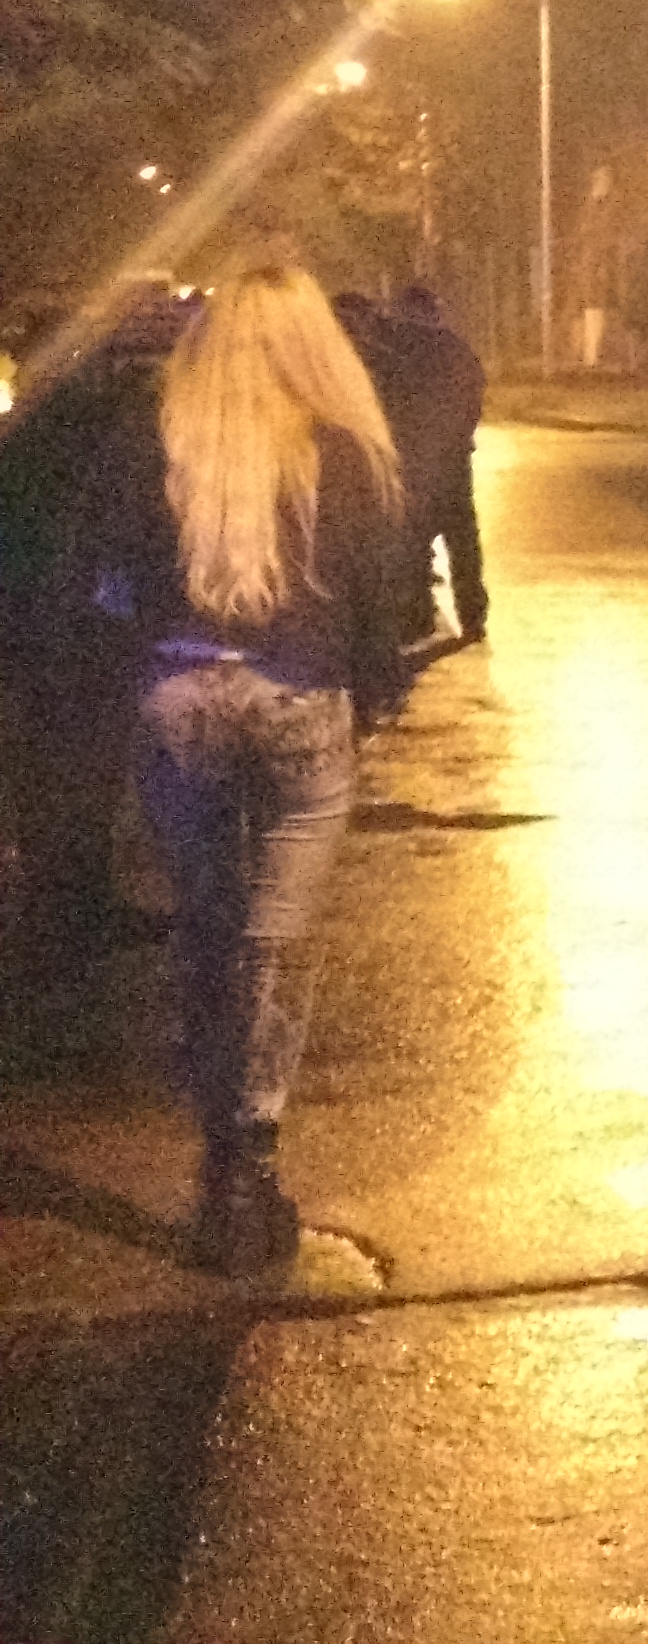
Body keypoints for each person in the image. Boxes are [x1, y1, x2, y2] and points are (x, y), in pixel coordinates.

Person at [100, 265, 421, 1274]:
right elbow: (380, 599)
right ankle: (250, 1167)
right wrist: (373, 693)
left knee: (205, 926)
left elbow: (111, 584)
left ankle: (215, 1160)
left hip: (180, 696)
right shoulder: (343, 450)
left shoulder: (155, 441)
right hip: (298, 696)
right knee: (275, 942)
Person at [0, 281, 190, 1075]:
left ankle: (71, 900)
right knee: (77, 771)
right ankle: (68, 909)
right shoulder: (80, 426)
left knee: (60, 772)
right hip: (76, 626)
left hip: (47, 627)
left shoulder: (31, 429)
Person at [374, 284, 488, 646]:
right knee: (463, 541)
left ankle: (416, 614)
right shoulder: (457, 349)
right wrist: (458, 438)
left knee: (412, 540)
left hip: (411, 463)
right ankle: (473, 615)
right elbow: (473, 397)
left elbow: (385, 401)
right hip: (453, 463)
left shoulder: (392, 351)